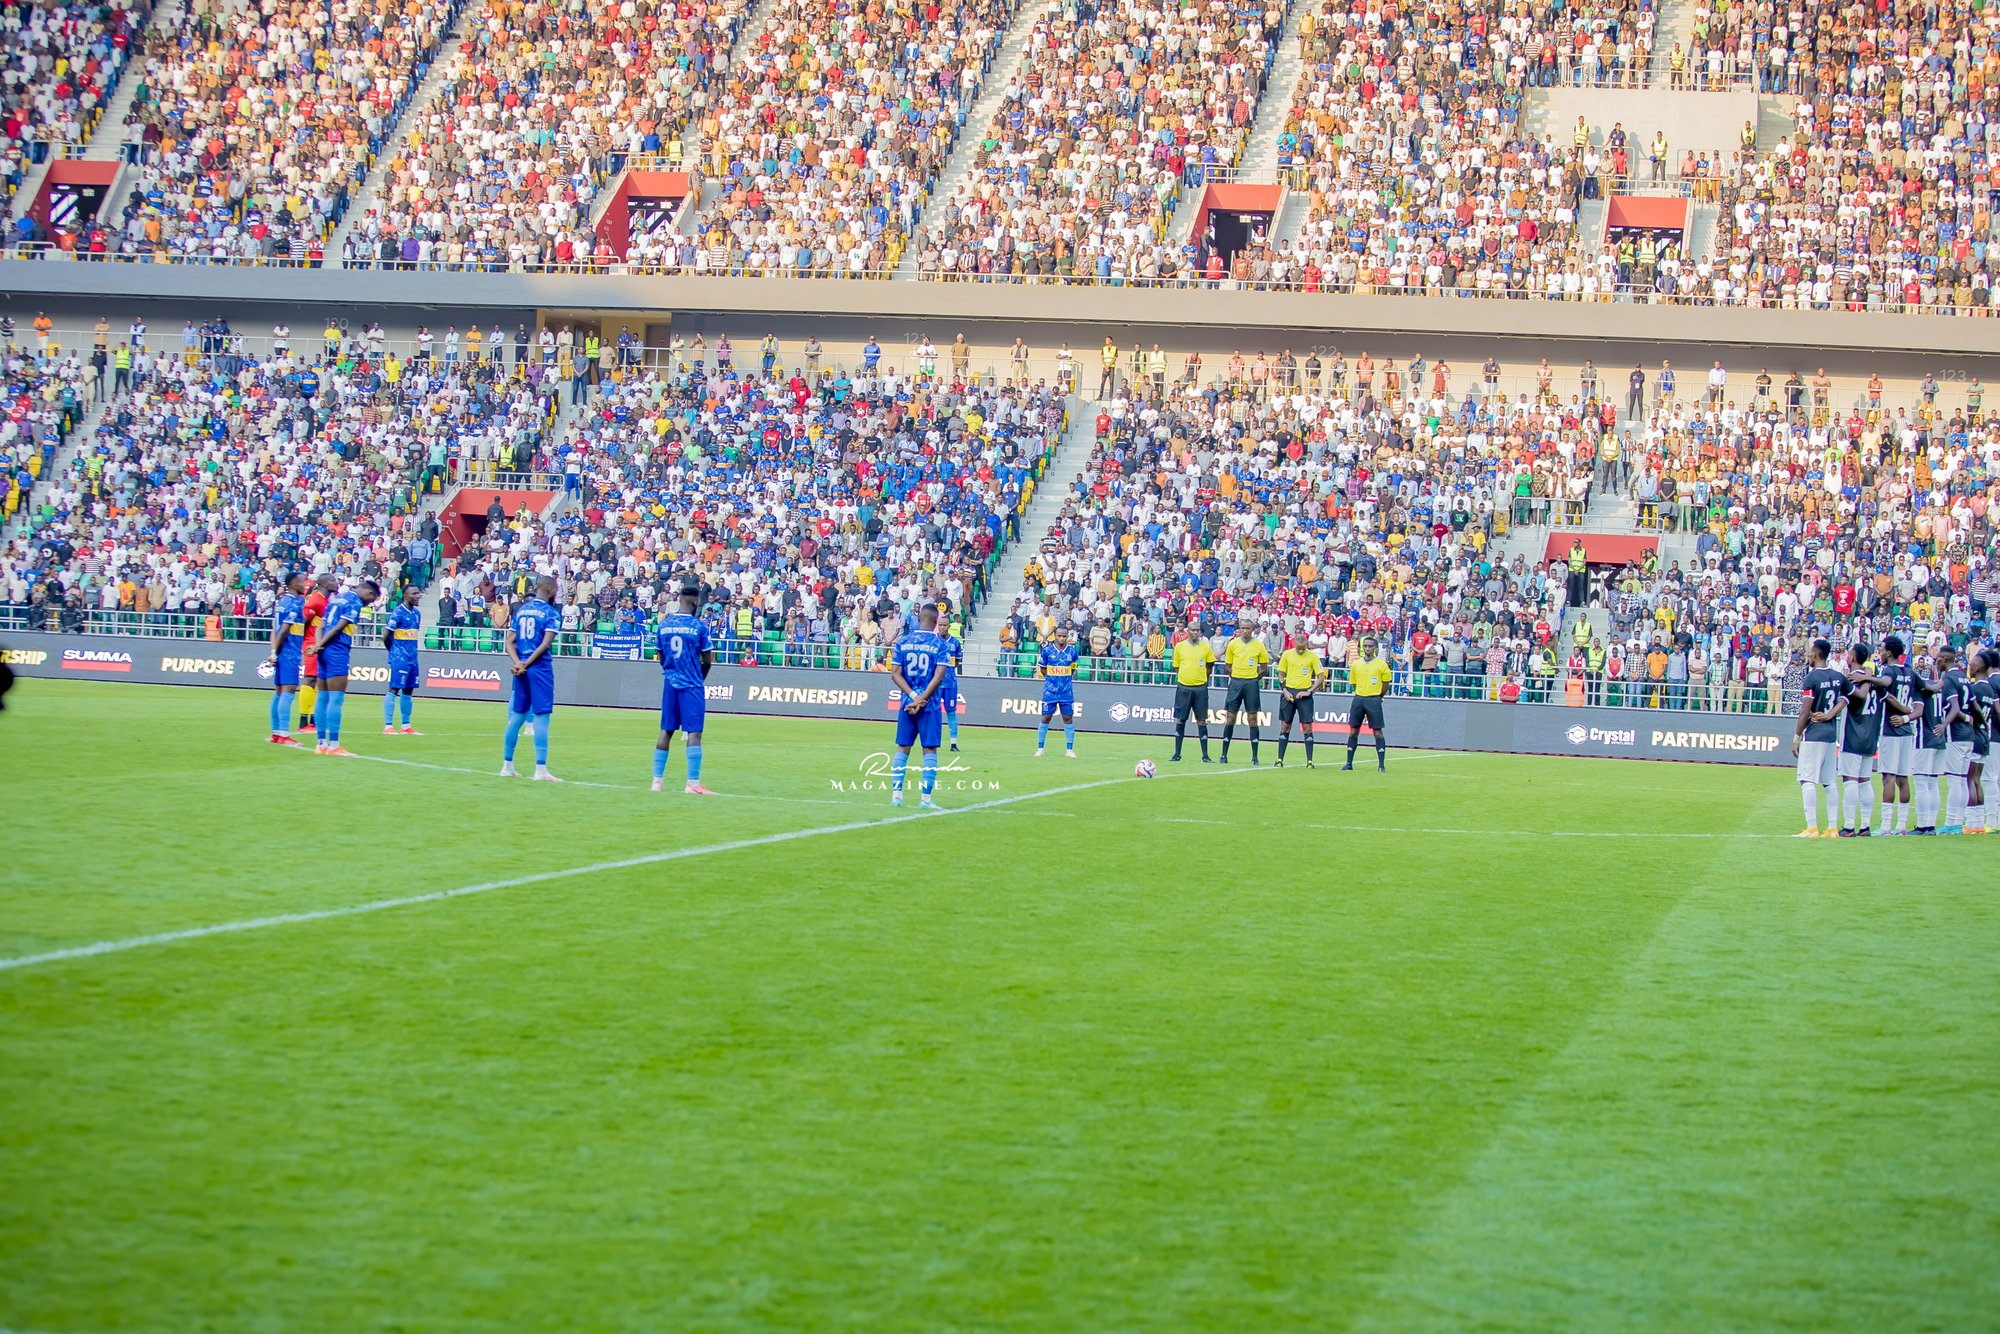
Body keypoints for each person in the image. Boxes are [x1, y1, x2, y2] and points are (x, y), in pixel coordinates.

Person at [1833, 645, 1907, 837]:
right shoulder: (1875, 681)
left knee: (1850, 779)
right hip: (1871, 737)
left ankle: (1849, 826)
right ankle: (1865, 826)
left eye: (1849, 653)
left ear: (1852, 657)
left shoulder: (1852, 679)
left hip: (1853, 735)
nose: (1847, 655)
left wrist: (1828, 715)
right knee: (1865, 781)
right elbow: (1889, 698)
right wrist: (1906, 711)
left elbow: (1845, 702)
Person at [652, 579, 715, 795]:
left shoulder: (664, 625)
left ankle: (657, 781)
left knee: (666, 731)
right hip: (692, 685)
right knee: (694, 733)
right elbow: (708, 660)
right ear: (695, 602)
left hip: (670, 682)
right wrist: (698, 678)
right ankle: (692, 783)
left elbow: (660, 656)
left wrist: (672, 671)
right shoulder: (698, 627)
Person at [888, 605, 952, 808]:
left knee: (903, 747)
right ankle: (925, 799)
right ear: (935, 622)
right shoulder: (940, 644)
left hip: (907, 703)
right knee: (930, 749)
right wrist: (922, 698)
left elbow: (895, 674)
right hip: (930, 705)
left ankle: (896, 796)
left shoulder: (903, 641)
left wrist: (913, 697)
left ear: (918, 618)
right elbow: (939, 676)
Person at [501, 576, 562, 781]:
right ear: (550, 590)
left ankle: (507, 766)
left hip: (521, 669)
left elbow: (508, 642)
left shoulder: (522, 610)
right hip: (539, 668)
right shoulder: (551, 613)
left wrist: (518, 663)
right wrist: (526, 663)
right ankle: (540, 769)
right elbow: (545, 644)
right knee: (542, 716)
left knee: (517, 715)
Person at [312, 578, 380, 756]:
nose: (368, 603)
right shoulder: (354, 602)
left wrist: (318, 645)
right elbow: (338, 628)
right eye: (371, 600)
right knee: (336, 698)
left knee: (322, 697)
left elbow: (321, 625)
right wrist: (320, 645)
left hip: (323, 651)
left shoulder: (337, 599)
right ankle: (334, 746)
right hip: (337, 650)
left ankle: (321, 744)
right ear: (369, 593)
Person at [1790, 637, 1847, 837]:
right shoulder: (1838, 676)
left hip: (1813, 734)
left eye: (1810, 652)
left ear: (1815, 654)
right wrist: (1831, 714)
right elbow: (1847, 697)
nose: (1808, 655)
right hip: (1830, 735)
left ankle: (1812, 827)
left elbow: (1805, 712)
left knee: (1807, 780)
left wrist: (1796, 737)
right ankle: (1832, 828)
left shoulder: (1811, 678)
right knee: (1830, 783)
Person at [1872, 634, 1920, 835]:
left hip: (1890, 729)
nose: (1880, 653)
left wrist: (1868, 677)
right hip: (1907, 731)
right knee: (1903, 778)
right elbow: (1927, 687)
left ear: (1889, 653)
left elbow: (1885, 682)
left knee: (1888, 777)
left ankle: (1885, 827)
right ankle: (1901, 826)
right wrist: (1907, 713)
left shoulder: (1888, 670)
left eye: (1882, 650)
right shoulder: (1909, 672)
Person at [262, 571, 309, 745]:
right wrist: (276, 652)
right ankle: (283, 734)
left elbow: (274, 630)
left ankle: (276, 733)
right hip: (289, 653)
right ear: (295, 585)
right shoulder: (294, 604)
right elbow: (283, 631)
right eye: (302, 582)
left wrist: (274, 651)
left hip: (282, 652)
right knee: (288, 691)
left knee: (279, 691)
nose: (305, 585)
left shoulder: (281, 602)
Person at [1909, 648, 1951, 835]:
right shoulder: (1941, 688)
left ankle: (1923, 825)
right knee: (1933, 783)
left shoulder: (1919, 690)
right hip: (1940, 738)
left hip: (1924, 739)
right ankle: (1931, 825)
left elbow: (1917, 712)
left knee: (1921, 782)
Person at [1218, 620, 1271, 764]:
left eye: (1248, 628)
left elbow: (1264, 669)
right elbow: (1227, 666)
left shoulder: (1259, 645)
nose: (1245, 630)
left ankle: (1254, 757)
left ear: (1252, 629)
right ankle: (1224, 755)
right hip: (1236, 682)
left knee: (1252, 719)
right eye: (1243, 628)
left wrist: (1253, 679)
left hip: (1251, 684)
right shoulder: (1233, 644)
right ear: (1239, 629)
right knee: (1230, 718)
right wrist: (1236, 677)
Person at [1344, 636, 1394, 771]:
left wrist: (1378, 697)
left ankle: (1381, 765)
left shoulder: (1381, 664)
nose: (1367, 648)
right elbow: (1354, 683)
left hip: (1373, 700)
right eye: (1365, 646)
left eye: (1370, 646)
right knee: (1353, 731)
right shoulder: (1356, 664)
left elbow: (1386, 684)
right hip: (1359, 699)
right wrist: (1361, 692)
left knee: (1377, 732)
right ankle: (1349, 763)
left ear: (1375, 648)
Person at [1939, 647, 1975, 834]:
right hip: (1969, 734)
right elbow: (1973, 705)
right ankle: (1958, 822)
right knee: (1961, 779)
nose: (1936, 661)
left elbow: (1954, 707)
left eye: (1938, 658)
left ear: (1945, 659)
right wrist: (1973, 720)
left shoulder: (1949, 679)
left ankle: (1951, 822)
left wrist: (1944, 725)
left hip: (1956, 733)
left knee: (1954, 780)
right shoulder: (1964, 677)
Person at [1274, 637, 1326, 767]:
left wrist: (1310, 691)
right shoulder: (1287, 654)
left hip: (1305, 694)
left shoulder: (1313, 657)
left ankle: (1309, 761)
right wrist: (1285, 690)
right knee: (1285, 726)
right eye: (1299, 648)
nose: (1301, 651)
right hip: (1289, 693)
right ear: (1294, 645)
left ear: (1307, 645)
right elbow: (1281, 674)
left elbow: (1321, 677)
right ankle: (1279, 759)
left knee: (1307, 727)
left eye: (1303, 648)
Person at [382, 584, 424, 734]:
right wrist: (394, 652)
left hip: (413, 657)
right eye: (414, 594)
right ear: (406, 596)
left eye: (418, 593)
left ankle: (406, 725)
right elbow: (386, 635)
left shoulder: (417, 614)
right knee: (394, 688)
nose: (418, 596)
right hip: (400, 657)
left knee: (408, 690)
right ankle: (388, 725)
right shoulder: (398, 612)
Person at [1169, 629, 1216, 762]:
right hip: (1184, 687)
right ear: (1188, 631)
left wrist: (1204, 680)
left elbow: (1209, 666)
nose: (1195, 632)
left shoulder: (1206, 647)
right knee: (1180, 719)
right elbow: (1177, 667)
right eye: (1193, 630)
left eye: (1197, 630)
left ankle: (1205, 755)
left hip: (1200, 688)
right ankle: (1177, 754)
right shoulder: (1180, 647)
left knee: (1202, 721)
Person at [296, 574, 333, 732]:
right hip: (311, 643)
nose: (336, 583)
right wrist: (304, 643)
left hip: (320, 644)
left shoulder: (325, 601)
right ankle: (303, 721)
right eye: (332, 581)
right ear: (324, 584)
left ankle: (313, 720)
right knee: (310, 678)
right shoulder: (315, 600)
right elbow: (303, 622)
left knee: (318, 680)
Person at [1034, 625, 1079, 757]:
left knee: (1068, 718)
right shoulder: (1047, 650)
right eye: (1059, 636)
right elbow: (1042, 668)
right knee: (1046, 717)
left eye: (1064, 636)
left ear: (1067, 636)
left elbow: (1073, 668)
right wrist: (1050, 680)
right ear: (1055, 636)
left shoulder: (1072, 652)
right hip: (1050, 691)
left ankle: (1069, 750)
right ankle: (1040, 748)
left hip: (1066, 691)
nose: (1062, 638)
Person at [1967, 650, 1996, 834]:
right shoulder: (1990, 689)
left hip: (1975, 735)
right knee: (1977, 780)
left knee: (1969, 779)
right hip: (1985, 736)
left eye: (1971, 665)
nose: (1969, 668)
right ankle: (1978, 823)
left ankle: (1971, 822)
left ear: (1977, 668)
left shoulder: (1975, 689)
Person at [939, 620, 964, 752]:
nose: (942, 627)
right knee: (933, 712)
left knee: (951, 712)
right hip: (935, 684)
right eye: (940, 625)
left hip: (950, 683)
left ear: (949, 626)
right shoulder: (933, 641)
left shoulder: (955, 642)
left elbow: (958, 660)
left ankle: (953, 744)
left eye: (944, 625)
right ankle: (932, 741)